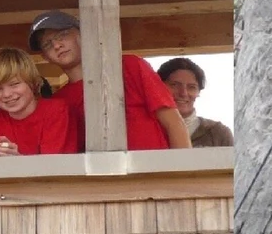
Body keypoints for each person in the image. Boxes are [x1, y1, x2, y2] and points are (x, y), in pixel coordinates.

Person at [30, 11, 190, 151]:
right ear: (45, 57)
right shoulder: (59, 101)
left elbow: (173, 122)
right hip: (102, 183)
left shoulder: (130, 66)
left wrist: (185, 175)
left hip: (156, 177)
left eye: (62, 35)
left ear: (82, 33)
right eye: (47, 44)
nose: (57, 45)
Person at [0, 47, 81, 157]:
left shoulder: (56, 110)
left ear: (32, 83)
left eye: (14, 84)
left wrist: (17, 160)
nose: (7, 94)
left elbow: (56, 167)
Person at [157, 57, 233, 148]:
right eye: (174, 85)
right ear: (158, 88)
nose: (183, 93)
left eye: (191, 87)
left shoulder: (218, 133)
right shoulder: (146, 129)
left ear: (198, 92)